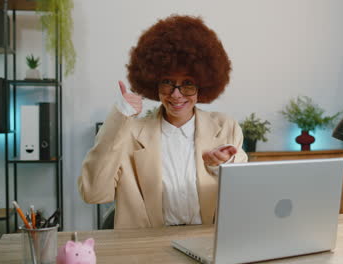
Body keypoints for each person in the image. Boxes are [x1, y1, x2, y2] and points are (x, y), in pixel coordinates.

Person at [78, 15, 247, 229]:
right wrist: (119, 116)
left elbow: (243, 193)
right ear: (153, 82)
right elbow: (93, 193)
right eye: (167, 83)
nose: (176, 95)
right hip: (147, 248)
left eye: (187, 84)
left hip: (208, 243)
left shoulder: (225, 127)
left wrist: (222, 165)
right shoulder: (129, 133)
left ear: (203, 85)